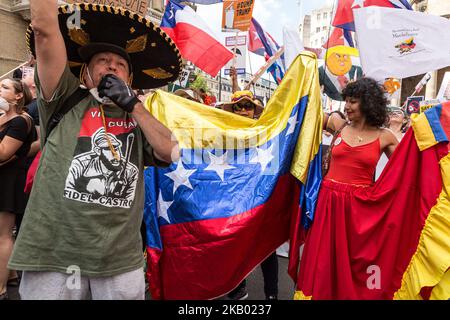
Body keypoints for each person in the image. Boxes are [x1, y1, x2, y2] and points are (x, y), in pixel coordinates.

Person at [8, 1, 181, 300]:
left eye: (121, 64)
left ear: (129, 79)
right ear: (86, 73)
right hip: (54, 255)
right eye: (102, 60)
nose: (112, 65)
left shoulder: (139, 118)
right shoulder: (62, 97)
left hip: (118, 262)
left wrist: (133, 106)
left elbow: (171, 152)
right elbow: (45, 30)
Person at [296, 77, 399, 299]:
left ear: (368, 102)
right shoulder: (337, 124)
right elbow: (304, 114)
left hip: (361, 209)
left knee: (355, 262)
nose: (347, 106)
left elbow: (405, 169)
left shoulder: (385, 136)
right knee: (323, 259)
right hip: (328, 203)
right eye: (346, 101)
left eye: (353, 101)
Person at [221, 90, 277, 300]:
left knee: (267, 249)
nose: (244, 110)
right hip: (233, 202)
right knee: (236, 248)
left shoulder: (269, 134)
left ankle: (272, 294)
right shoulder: (222, 132)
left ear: (255, 110)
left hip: (260, 199)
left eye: (248, 106)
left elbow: (274, 167)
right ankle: (237, 290)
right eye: (239, 107)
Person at [0, 78, 35, 300]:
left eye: (5, 88)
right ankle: (10, 274)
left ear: (18, 96)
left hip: (9, 181)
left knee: (3, 234)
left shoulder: (21, 121)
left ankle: (1, 287)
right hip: (3, 177)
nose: (0, 91)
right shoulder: (4, 118)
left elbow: (3, 152)